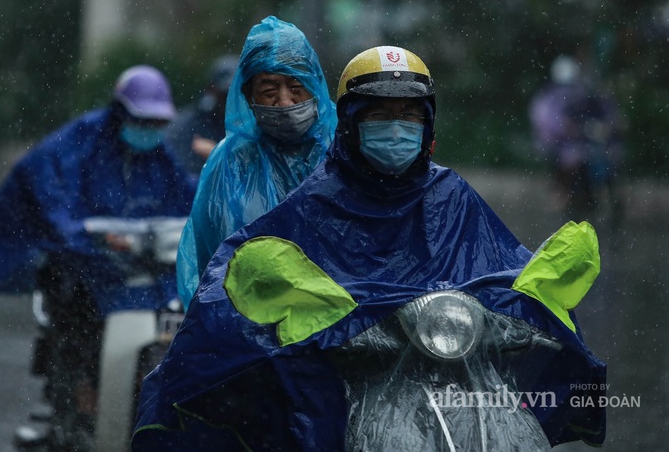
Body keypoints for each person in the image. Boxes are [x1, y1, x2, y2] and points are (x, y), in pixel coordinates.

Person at [132, 46, 607, 451]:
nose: (396, 129)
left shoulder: (451, 195)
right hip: (349, 385)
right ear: (350, 123)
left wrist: (523, 303)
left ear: (429, 125)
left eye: (409, 115)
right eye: (379, 115)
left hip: (457, 380)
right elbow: (245, 280)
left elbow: (503, 267)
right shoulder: (317, 203)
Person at [0, 65, 197, 451]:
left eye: (158, 122)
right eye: (142, 120)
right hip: (78, 270)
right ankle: (78, 402)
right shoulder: (73, 147)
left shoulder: (159, 156)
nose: (150, 129)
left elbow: (188, 199)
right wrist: (91, 237)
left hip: (136, 271)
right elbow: (55, 209)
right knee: (78, 324)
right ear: (120, 112)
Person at [176, 15, 337, 308]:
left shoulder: (344, 146)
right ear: (249, 98)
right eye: (269, 90)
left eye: (296, 86)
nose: (285, 102)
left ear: (315, 85)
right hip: (253, 325)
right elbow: (209, 261)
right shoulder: (229, 162)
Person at [528, 55, 625, 224]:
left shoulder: (570, 94)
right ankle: (574, 201)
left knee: (593, 172)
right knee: (575, 174)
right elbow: (551, 125)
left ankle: (590, 203)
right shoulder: (552, 98)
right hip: (566, 148)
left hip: (583, 147)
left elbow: (602, 117)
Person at [164, 54, 238, 175]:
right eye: (225, 94)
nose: (230, 100)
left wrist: (219, 156)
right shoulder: (187, 125)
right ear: (211, 90)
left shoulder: (251, 125)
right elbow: (182, 178)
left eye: (235, 93)